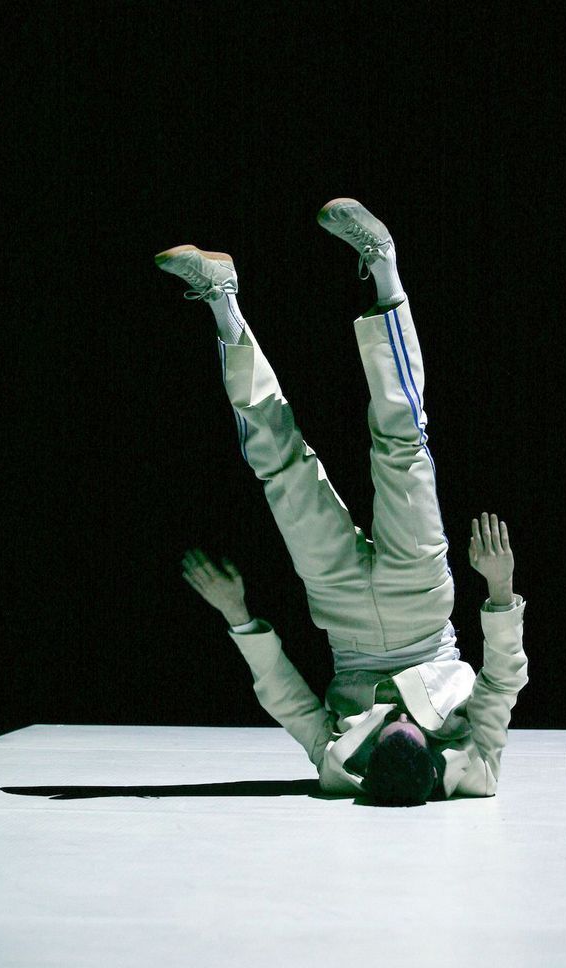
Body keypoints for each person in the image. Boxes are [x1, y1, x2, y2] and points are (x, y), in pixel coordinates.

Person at [155, 198, 528, 807]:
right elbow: (503, 681)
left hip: (344, 618)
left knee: (280, 470)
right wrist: (500, 589)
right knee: (402, 444)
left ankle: (223, 301)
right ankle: (383, 264)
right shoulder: (472, 772)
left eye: (386, 735)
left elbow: (287, 699)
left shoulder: (341, 770)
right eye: (409, 730)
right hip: (420, 608)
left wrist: (239, 615)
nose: (395, 722)